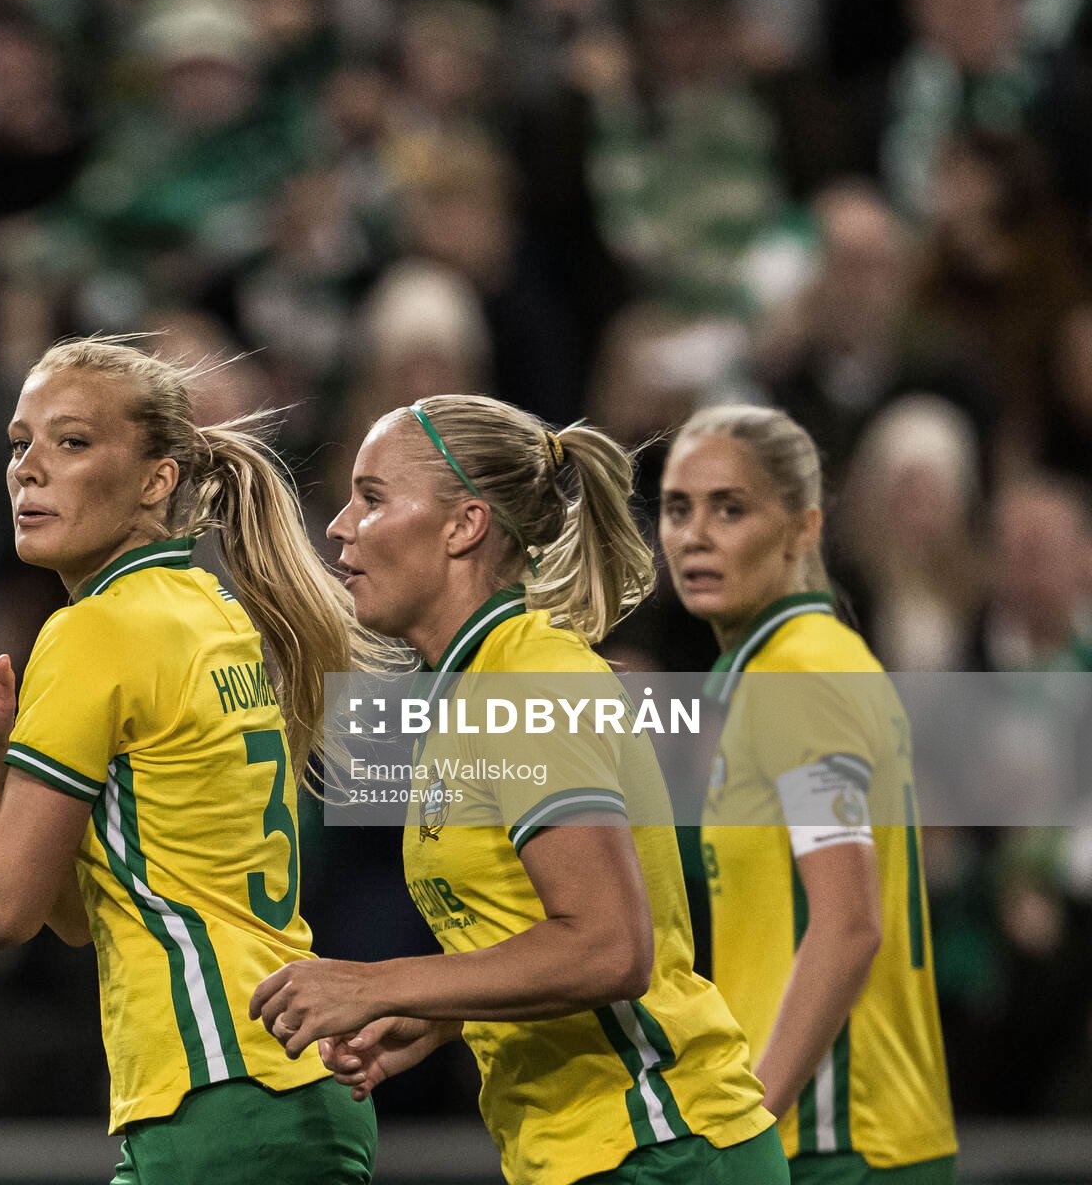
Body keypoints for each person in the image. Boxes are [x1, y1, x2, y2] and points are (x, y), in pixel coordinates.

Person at [0, 337, 384, 1182]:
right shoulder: (208, 607)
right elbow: (80, 913)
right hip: (284, 1091)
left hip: (220, 1093)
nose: (29, 470)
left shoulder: (95, 631)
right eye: (20, 444)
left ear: (158, 478)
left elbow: (1, 912)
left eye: (72, 442)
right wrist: (13, 751)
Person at [251, 394, 786, 1184]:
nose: (338, 526)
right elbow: (542, 930)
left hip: (660, 1147)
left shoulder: (528, 681)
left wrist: (380, 982)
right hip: (602, 1155)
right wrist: (438, 1014)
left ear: (464, 525)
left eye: (372, 498)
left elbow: (610, 946)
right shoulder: (473, 686)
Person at [660, 403, 958, 1182]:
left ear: (802, 529)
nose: (696, 535)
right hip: (838, 1134)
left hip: (834, 1140)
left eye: (731, 509)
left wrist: (748, 1122)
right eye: (678, 508)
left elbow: (850, 922)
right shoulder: (795, 666)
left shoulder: (799, 675)